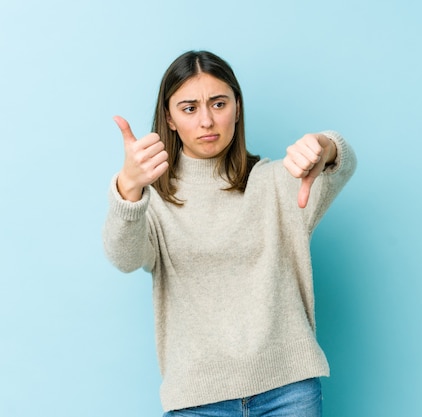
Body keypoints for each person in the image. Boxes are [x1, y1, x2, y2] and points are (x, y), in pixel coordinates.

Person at [102, 50, 357, 416]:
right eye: (189, 108)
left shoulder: (277, 183)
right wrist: (128, 187)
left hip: (288, 391)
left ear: (237, 107)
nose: (206, 120)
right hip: (196, 399)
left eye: (218, 103)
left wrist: (325, 145)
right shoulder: (153, 199)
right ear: (170, 119)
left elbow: (340, 163)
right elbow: (123, 257)